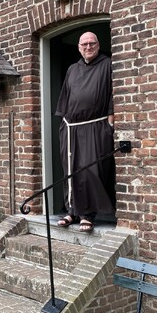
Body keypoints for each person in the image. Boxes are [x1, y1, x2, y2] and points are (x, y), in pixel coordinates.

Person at [54, 31, 116, 233]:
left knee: (91, 170)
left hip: (95, 125)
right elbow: (65, 97)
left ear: (98, 45)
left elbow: (114, 92)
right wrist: (63, 123)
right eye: (84, 44)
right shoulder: (73, 69)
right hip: (71, 128)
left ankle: (88, 214)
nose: (88, 47)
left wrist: (110, 119)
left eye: (92, 43)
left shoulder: (107, 65)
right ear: (79, 47)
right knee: (70, 171)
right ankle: (72, 210)